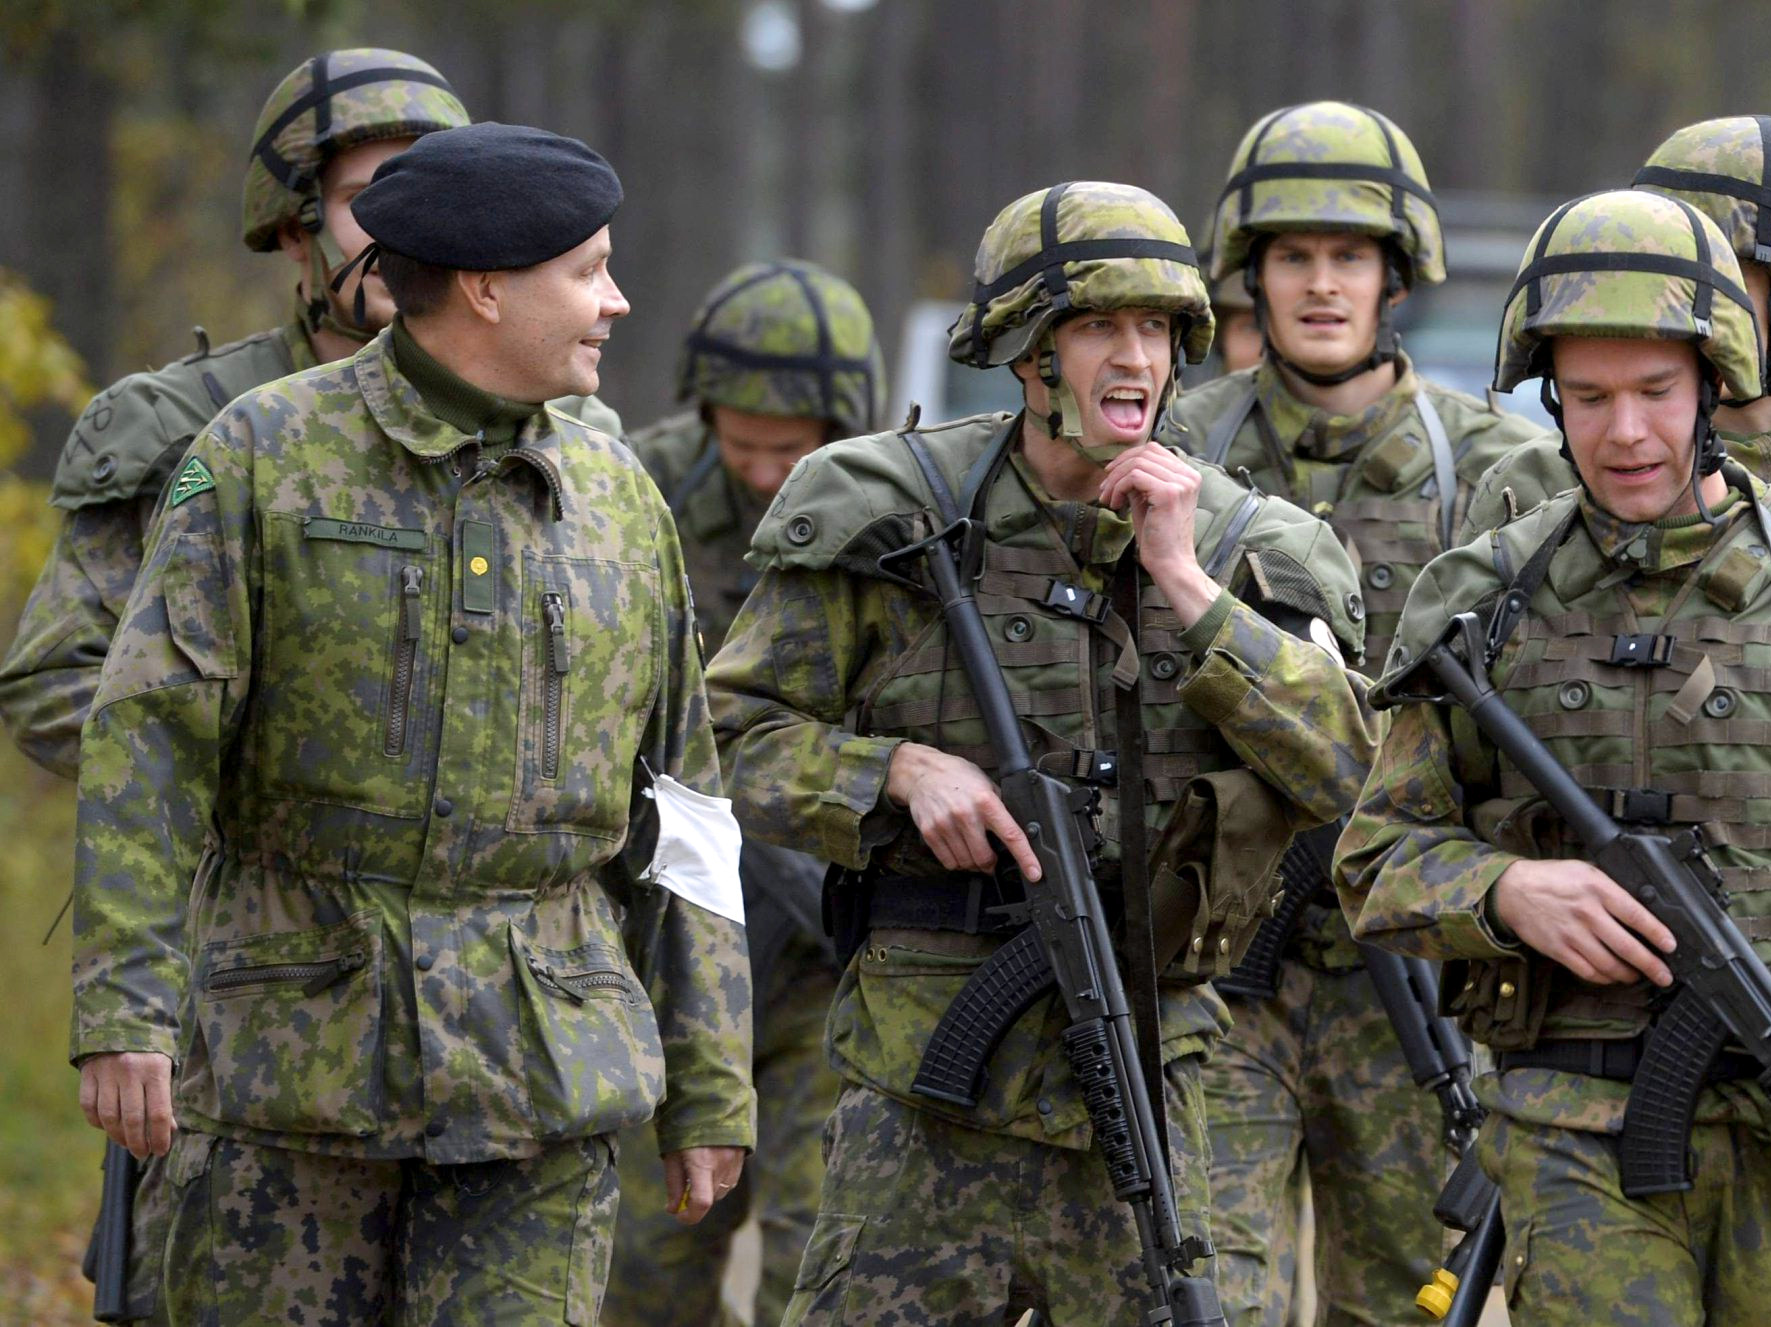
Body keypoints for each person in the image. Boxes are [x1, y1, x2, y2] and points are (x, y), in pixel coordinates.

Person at [69, 121, 756, 1324]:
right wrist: (124, 1007)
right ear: (486, 287)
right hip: (292, 1073)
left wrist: (710, 1083)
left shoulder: (619, 502)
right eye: (589, 270)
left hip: (542, 1081)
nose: (619, 301)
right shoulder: (262, 460)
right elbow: (149, 740)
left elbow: (686, 809)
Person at [1336, 188, 1771, 1325]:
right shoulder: (1484, 599)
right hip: (1566, 1133)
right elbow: (1375, 857)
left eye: (1655, 393)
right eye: (1590, 398)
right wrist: (1504, 889)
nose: (1624, 435)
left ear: (1715, 384)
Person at [702, 180, 1377, 1326]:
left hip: (1146, 1081)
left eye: (1157, 329)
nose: (1134, 357)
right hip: (923, 1094)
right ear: (1026, 351)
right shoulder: (887, 512)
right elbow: (730, 739)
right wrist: (891, 776)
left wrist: (1185, 585)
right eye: (1096, 325)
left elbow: (1354, 777)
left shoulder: (1253, 550)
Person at [1154, 100, 1539, 1325]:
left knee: (1409, 1303)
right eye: (1292, 257)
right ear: (1250, 278)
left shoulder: (1494, 470)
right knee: (1206, 1296)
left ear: (1396, 274)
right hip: (1213, 970)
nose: (1322, 286)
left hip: (1413, 978)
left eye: (1350, 257)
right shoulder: (1173, 452)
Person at [0, 48, 620, 784]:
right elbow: (57, 681)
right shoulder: (181, 423)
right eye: (368, 200)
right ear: (294, 228)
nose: (408, 229)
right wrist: (283, 785)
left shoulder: (571, 429)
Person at [604, 258, 882, 1327]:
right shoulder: (634, 494)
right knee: (646, 1262)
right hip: (664, 948)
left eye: (792, 449)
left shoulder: (890, 517)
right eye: (744, 445)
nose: (768, 475)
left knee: (821, 1262)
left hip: (827, 959)